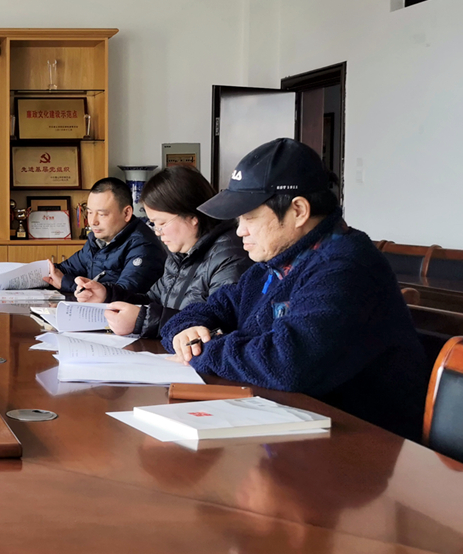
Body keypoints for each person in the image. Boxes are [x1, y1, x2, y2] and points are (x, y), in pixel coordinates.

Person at [162, 138, 429, 441]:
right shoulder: (274, 265)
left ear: (299, 210)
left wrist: (202, 350)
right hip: (289, 426)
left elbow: (287, 363)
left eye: (249, 217)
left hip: (358, 444)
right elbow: (210, 309)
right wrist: (185, 332)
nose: (240, 230)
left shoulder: (346, 267)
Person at [74, 166, 250, 338]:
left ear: (192, 216)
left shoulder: (230, 257)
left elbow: (216, 328)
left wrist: (141, 320)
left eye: (162, 223)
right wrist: (107, 295)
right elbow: (153, 300)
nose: (157, 232)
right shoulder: (180, 254)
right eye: (154, 224)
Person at [43, 177, 165, 297]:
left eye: (102, 214)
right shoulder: (97, 241)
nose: (93, 222)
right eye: (89, 212)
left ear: (126, 213)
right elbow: (64, 270)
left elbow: (124, 294)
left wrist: (66, 283)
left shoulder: (144, 247)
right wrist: (40, 273)